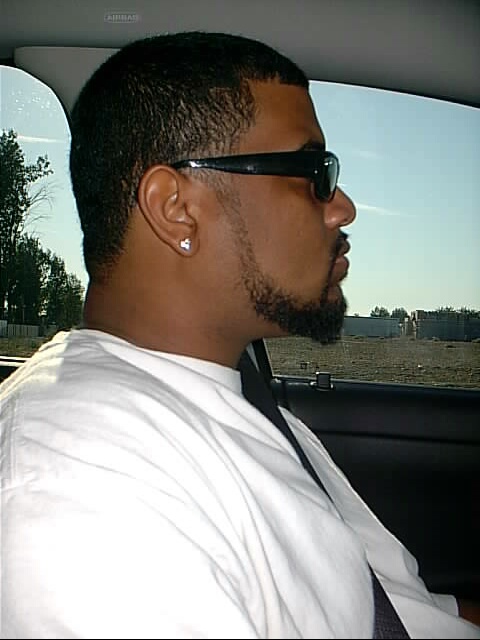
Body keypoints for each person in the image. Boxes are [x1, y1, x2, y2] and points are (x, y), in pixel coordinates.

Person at [0, 32, 479, 639]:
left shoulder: (231, 395)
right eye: (314, 172)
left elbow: (406, 615)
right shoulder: (76, 492)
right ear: (176, 209)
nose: (343, 208)